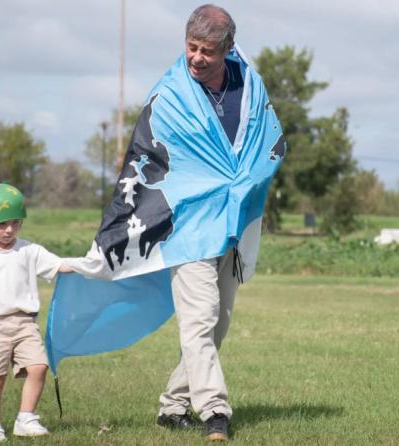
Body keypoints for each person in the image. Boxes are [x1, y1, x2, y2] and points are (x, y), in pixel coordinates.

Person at [154, 4, 246, 442]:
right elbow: (152, 160)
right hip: (188, 225)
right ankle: (214, 411)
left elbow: (264, 143)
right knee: (199, 318)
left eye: (207, 51)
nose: (196, 58)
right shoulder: (170, 96)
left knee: (218, 322)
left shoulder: (249, 88)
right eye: (191, 47)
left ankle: (173, 406)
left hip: (230, 225)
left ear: (228, 49)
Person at [0, 183, 72, 442]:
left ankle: (26, 418)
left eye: (15, 223)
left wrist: (92, 264)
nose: (8, 230)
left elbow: (59, 265)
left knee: (39, 367)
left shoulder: (29, 250)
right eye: (1, 223)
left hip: (25, 324)